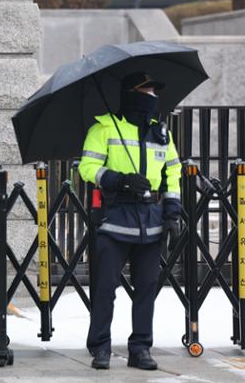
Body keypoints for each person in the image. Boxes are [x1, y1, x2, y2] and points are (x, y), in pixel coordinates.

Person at [79, 72, 182, 370]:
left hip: (150, 219)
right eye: (145, 90)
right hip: (114, 217)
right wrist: (120, 180)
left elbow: (172, 172)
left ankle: (140, 349)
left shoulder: (161, 132)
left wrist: (172, 209)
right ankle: (100, 347)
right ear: (129, 93)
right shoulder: (104, 127)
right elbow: (87, 167)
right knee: (104, 288)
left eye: (153, 90)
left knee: (147, 288)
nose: (151, 95)